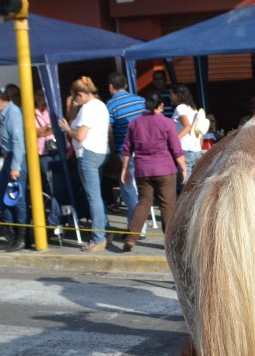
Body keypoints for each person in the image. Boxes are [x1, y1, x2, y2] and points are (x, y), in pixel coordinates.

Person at [120, 95, 186, 252]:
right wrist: (183, 167)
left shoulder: (134, 123)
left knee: (143, 203)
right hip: (165, 169)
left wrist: (124, 169)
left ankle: (131, 238)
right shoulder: (167, 123)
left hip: (143, 170)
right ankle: (169, 242)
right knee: (167, 205)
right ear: (161, 104)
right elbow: (176, 148)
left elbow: (127, 148)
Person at [58, 76, 111, 252]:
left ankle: (98, 237)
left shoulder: (87, 109)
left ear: (80, 94)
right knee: (97, 195)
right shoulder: (101, 105)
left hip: (88, 153)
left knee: (93, 197)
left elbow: (80, 136)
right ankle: (105, 231)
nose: (75, 101)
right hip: (101, 151)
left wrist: (67, 129)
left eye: (75, 97)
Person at [0, 86, 29, 251]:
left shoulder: (13, 113)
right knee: (2, 198)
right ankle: (13, 234)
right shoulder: (4, 115)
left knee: (17, 200)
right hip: (8, 158)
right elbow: (9, 142)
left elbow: (18, 142)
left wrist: (16, 166)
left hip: (16, 161)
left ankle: (22, 238)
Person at [106, 72, 147, 235]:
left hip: (125, 151)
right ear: (126, 85)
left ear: (110, 87)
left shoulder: (110, 105)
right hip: (145, 150)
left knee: (128, 188)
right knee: (143, 187)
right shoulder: (141, 100)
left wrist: (113, 150)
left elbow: (109, 131)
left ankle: (137, 226)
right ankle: (137, 223)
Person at [170, 84, 203, 184]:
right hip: (196, 149)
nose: (170, 97)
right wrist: (199, 147)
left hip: (185, 149)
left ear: (177, 95)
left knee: (185, 183)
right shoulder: (193, 108)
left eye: (171, 94)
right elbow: (200, 130)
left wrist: (174, 140)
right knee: (195, 182)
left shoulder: (180, 108)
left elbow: (187, 126)